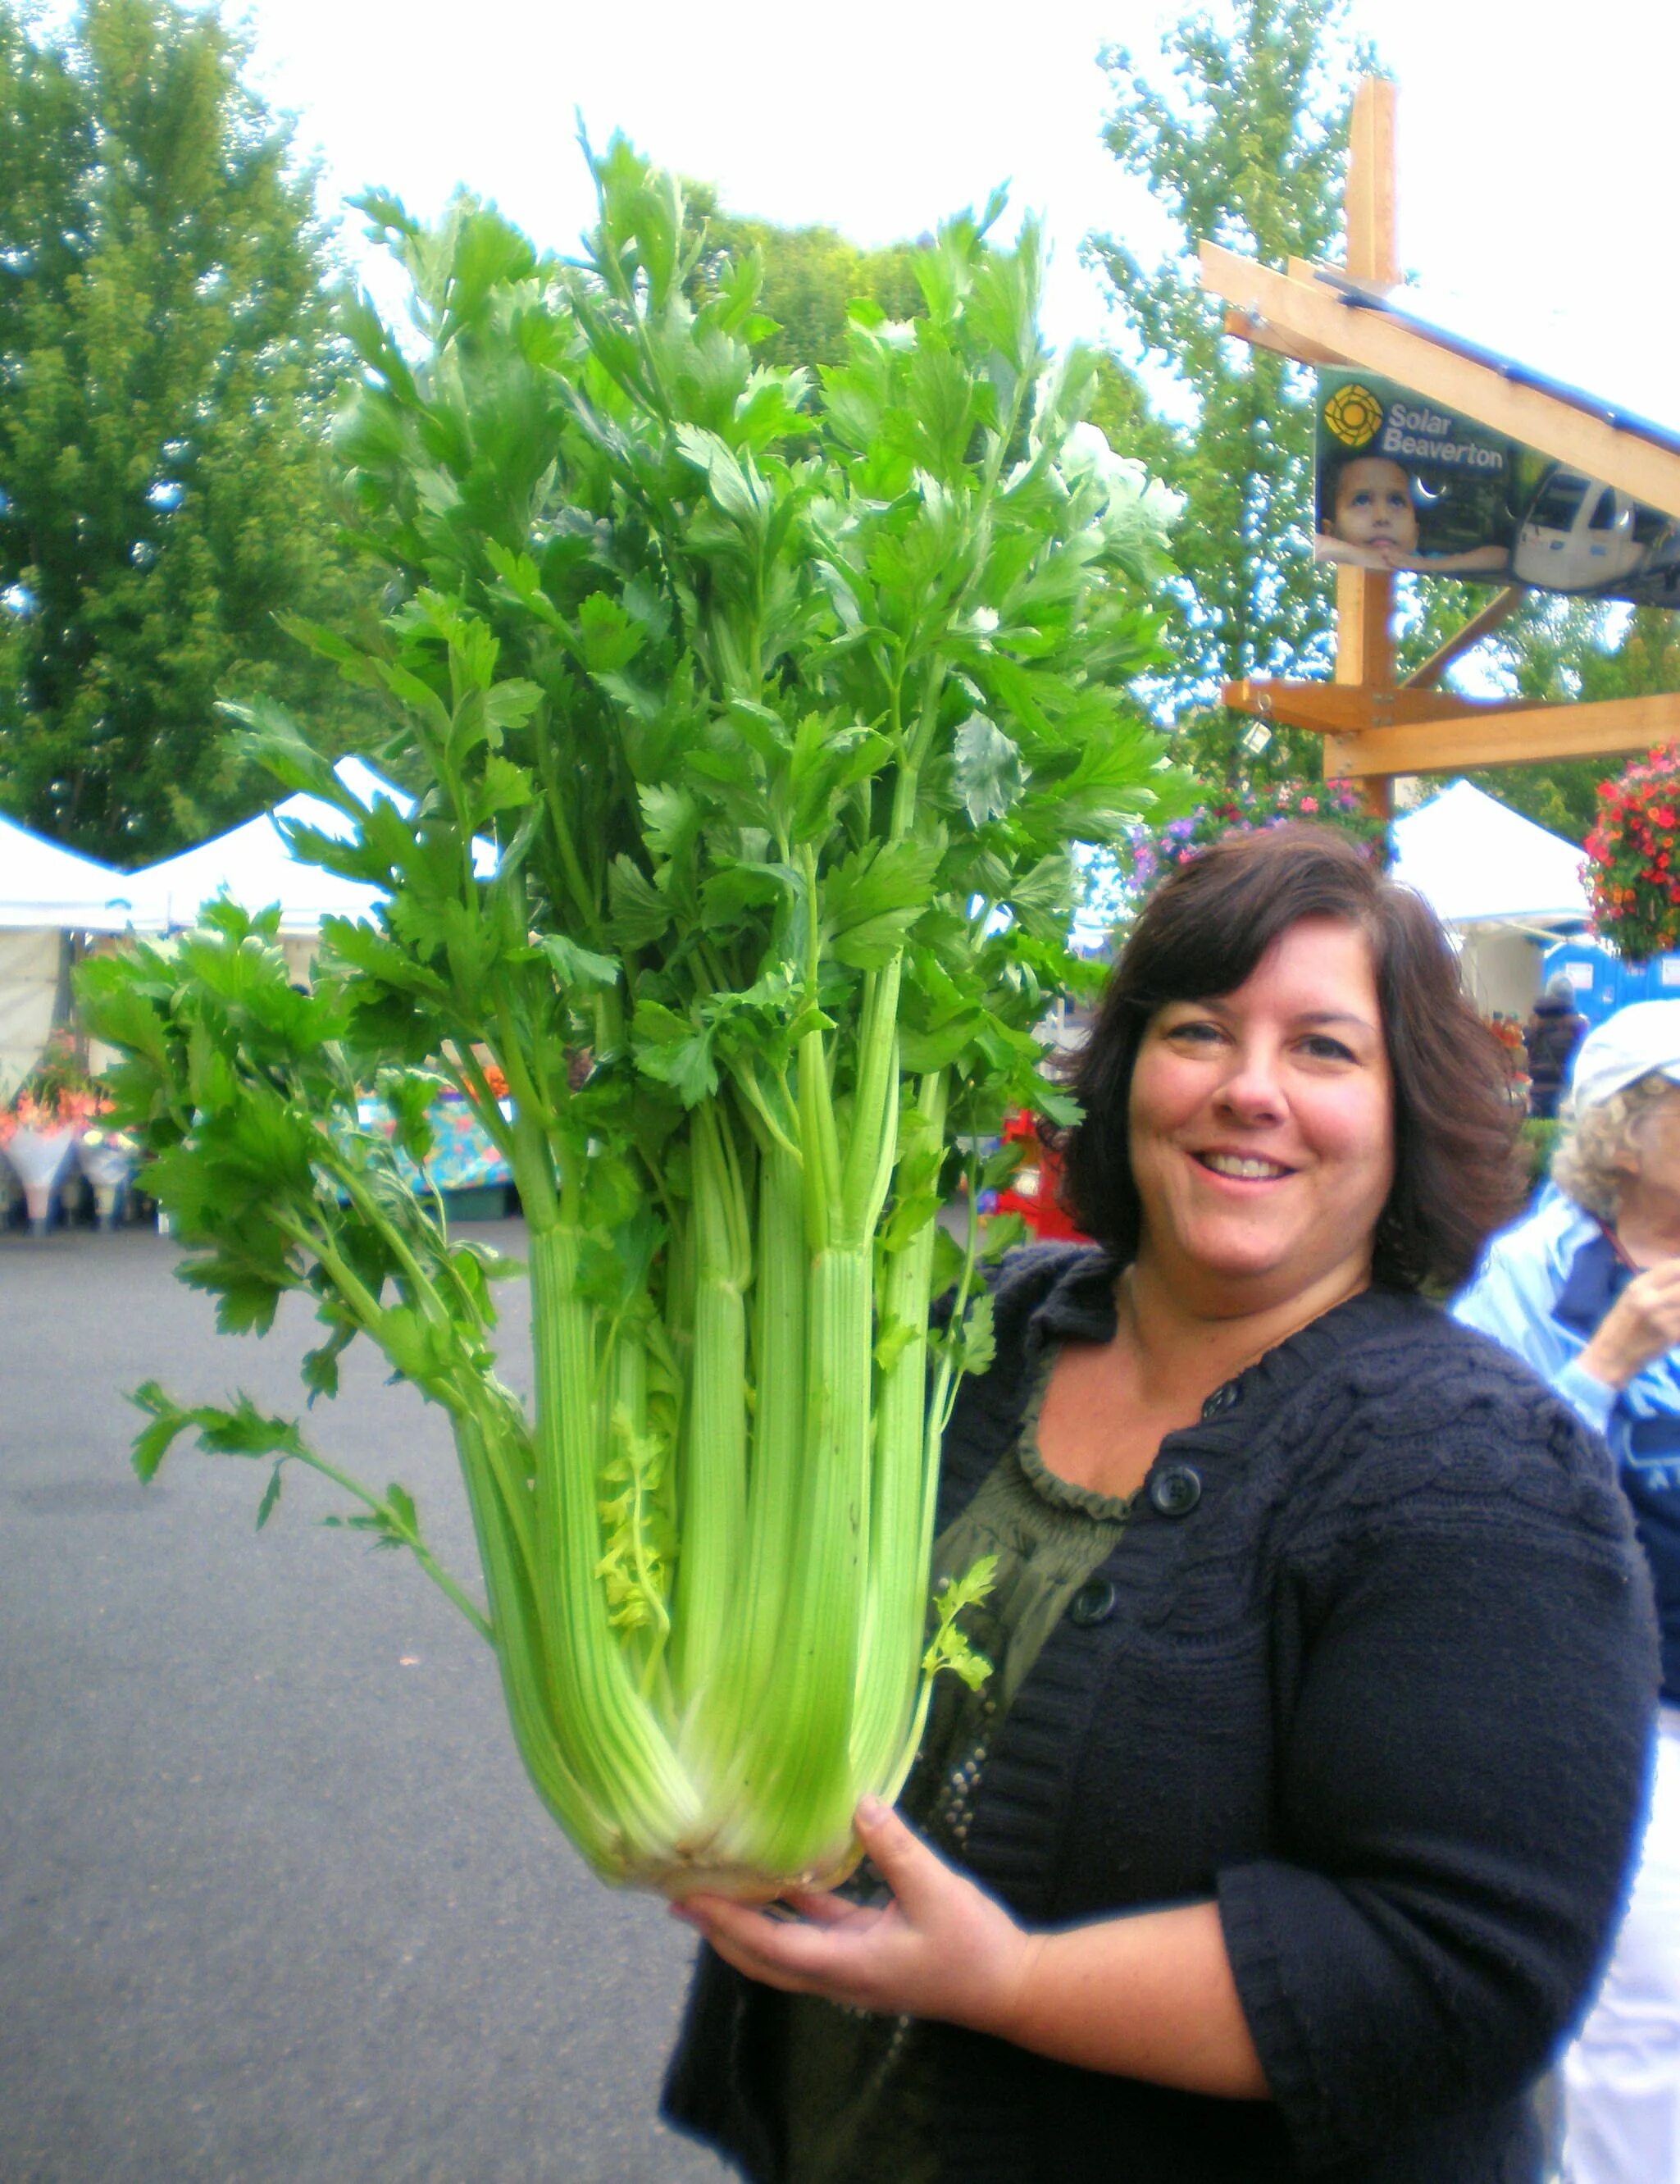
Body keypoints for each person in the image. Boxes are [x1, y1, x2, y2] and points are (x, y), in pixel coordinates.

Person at [662, 825, 1657, 2184]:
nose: (1248, 1089)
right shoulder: (970, 1336)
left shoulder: (1479, 1468)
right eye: (1196, 1029)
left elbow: (1456, 1969)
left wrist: (1008, 1977)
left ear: (1407, 1107)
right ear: (1123, 1068)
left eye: (1321, 1047)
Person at [1455, 999, 1680, 2183]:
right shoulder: (1529, 1279)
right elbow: (1479, 1495)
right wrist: (1602, 1367)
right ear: (1628, 1124)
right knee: (1642, 2014)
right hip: (1624, 1706)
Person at [1314, 451, 1509, 575]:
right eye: (1362, 500)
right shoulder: (1326, 572)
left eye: (1396, 501)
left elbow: (1501, 557)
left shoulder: (1418, 561)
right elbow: (1317, 544)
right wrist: (1360, 558)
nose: (1382, 517)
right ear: (1330, 531)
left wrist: (1424, 566)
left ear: (1415, 534)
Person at [1525, 976, 1589, 1122]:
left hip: (1538, 1096)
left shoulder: (1535, 1024)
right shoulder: (1577, 1026)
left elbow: (1529, 1057)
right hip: (1565, 1097)